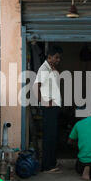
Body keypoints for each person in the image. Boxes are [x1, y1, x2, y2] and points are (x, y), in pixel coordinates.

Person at [34, 45, 63, 173]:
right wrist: (44, 102)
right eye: (56, 57)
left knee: (52, 136)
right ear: (49, 57)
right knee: (49, 137)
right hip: (49, 108)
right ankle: (47, 166)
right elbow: (36, 87)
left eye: (59, 58)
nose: (58, 60)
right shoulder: (44, 69)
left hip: (54, 107)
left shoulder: (50, 69)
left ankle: (51, 163)